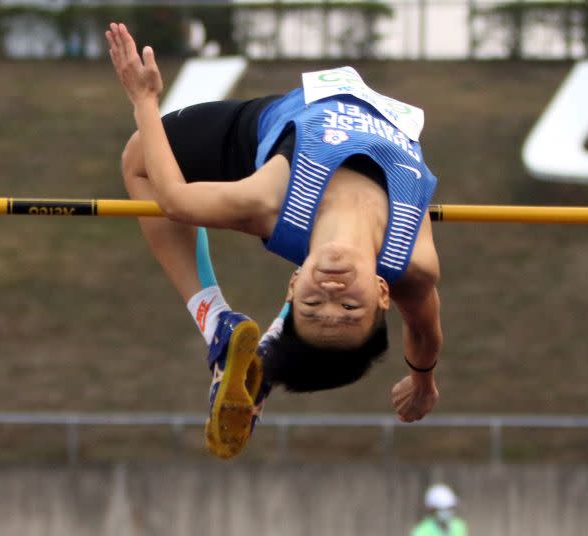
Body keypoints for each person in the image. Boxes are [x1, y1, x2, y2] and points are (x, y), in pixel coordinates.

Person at [105, 22, 443, 458]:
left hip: (278, 132)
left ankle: (216, 322)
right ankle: (271, 343)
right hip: (335, 141)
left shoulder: (270, 201)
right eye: (348, 308)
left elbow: (175, 199)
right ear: (382, 293)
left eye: (313, 304)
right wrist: (422, 382)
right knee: (335, 253)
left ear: (294, 284)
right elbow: (424, 329)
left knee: (139, 158)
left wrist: (144, 100)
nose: (331, 292)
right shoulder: (411, 261)